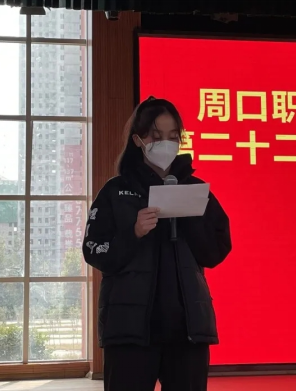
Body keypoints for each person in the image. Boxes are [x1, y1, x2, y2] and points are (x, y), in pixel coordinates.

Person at [83, 96, 232, 391]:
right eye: (156, 136)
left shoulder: (195, 190)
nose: (166, 143)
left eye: (173, 136)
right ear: (138, 140)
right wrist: (133, 233)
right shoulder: (116, 191)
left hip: (188, 330)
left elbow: (216, 250)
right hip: (130, 330)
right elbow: (93, 250)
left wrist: (190, 220)